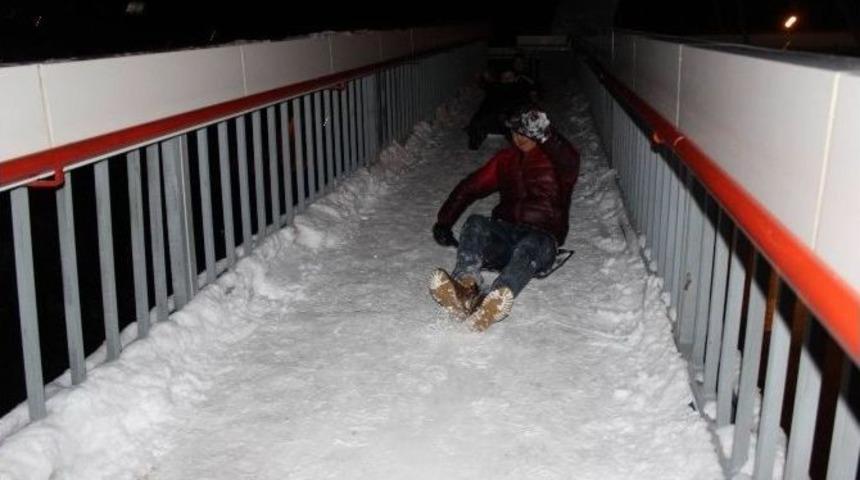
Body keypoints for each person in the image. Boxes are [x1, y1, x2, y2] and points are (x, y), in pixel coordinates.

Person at [430, 108, 581, 331]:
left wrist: (548, 136)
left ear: (538, 133)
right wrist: (444, 220)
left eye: (526, 133)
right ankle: (465, 286)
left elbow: (569, 157)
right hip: (505, 234)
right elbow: (471, 187)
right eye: (514, 133)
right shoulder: (505, 160)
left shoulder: (558, 164)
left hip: (542, 240)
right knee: (476, 222)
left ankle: (494, 299)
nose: (519, 138)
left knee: (531, 244)